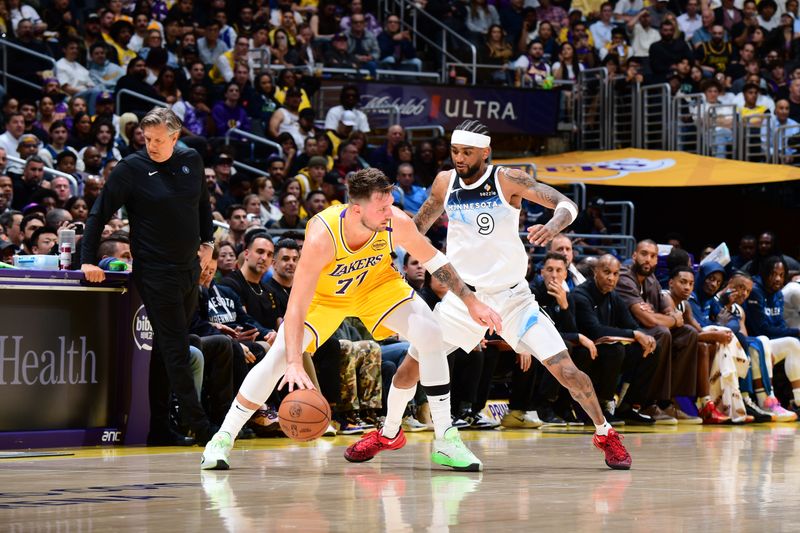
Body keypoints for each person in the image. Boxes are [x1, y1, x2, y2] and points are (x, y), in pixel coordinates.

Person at [349, 120, 632, 470]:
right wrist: (387, 252)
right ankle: (390, 432)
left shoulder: (506, 179)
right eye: (455, 151)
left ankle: (605, 433)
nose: (460, 158)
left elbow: (566, 204)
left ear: (486, 152)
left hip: (512, 299)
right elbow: (419, 223)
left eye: (467, 152)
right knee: (410, 368)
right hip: (463, 297)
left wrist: (552, 225)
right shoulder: (444, 182)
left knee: (567, 371)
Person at [201, 168, 502, 472]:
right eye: (381, 207)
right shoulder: (322, 236)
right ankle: (223, 438)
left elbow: (434, 259)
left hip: (377, 286)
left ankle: (446, 440)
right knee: (278, 356)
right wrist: (294, 361)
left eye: (390, 204)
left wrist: (471, 300)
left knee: (430, 333)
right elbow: (295, 307)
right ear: (357, 209)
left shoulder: (395, 221)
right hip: (327, 298)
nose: (389, 212)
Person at [80, 107, 216, 446]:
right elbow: (98, 214)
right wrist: (86, 260)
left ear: (175, 136)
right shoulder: (131, 169)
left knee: (165, 351)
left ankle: (159, 429)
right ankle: (203, 430)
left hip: (188, 270)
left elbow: (203, 205)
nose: (151, 145)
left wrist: (209, 242)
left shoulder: (192, 162)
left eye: (158, 139)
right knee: (176, 350)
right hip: (155, 271)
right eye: (147, 139)